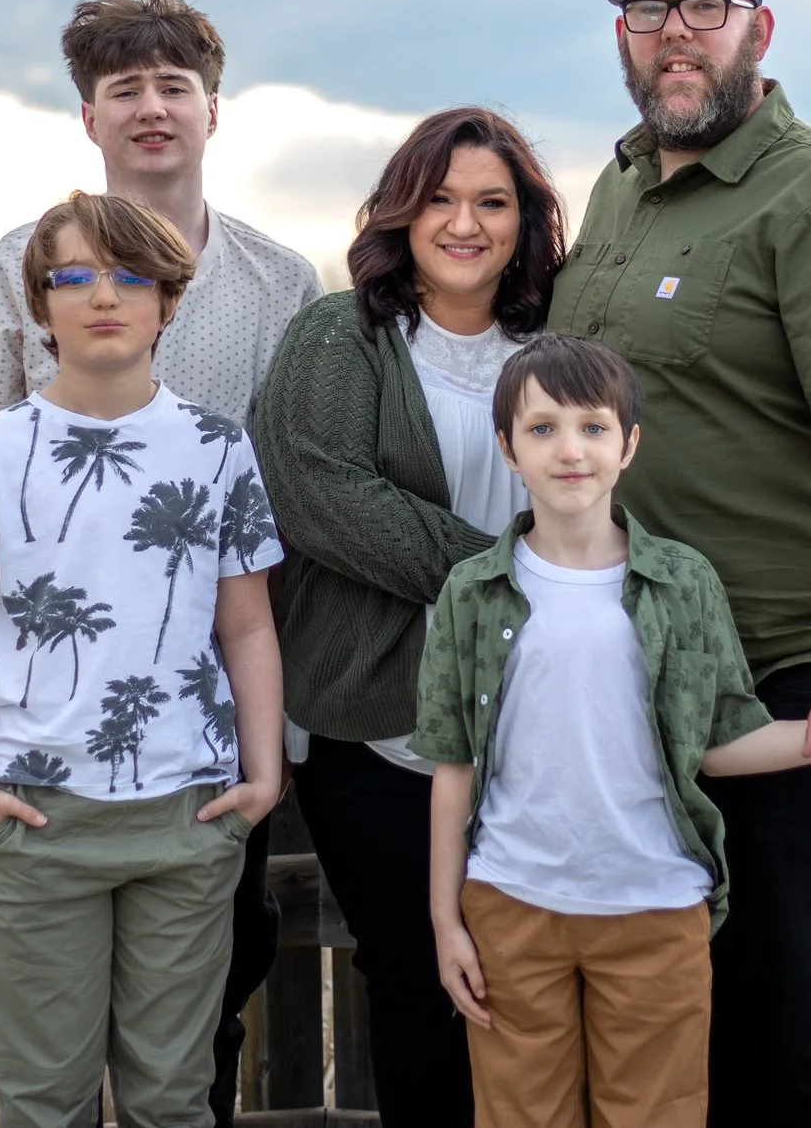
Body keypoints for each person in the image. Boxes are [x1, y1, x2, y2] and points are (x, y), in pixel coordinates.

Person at [548, 0, 811, 1127]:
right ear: (622, 35)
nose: (676, 32)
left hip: (792, 679)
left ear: (756, 32)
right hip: (641, 688)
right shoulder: (613, 194)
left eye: (703, 8)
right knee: (682, 1039)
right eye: (649, 10)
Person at [0, 0, 322, 1124]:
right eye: (123, 89)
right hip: (46, 737)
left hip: (201, 745)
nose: (152, 108)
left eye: (174, 86)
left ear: (212, 109)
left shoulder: (279, 279)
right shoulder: (18, 264)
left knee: (195, 1028)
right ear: (90, 118)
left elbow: (284, 493)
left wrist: (261, 757)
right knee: (44, 1059)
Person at [412, 335, 811, 1128]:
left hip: (655, 908)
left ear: (630, 444)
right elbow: (452, 764)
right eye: (542, 428)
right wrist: (448, 919)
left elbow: (718, 739)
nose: (570, 448)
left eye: (593, 426)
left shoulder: (682, 582)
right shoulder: (472, 593)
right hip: (511, 904)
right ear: (507, 447)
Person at [251, 107, 567, 1128]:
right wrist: (513, 575)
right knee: (420, 977)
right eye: (438, 198)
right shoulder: (340, 335)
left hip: (534, 717)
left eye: (491, 200)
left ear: (524, 220)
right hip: (373, 726)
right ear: (400, 209)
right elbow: (315, 492)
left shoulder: (556, 346)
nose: (464, 222)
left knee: (532, 976)